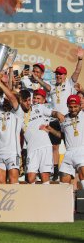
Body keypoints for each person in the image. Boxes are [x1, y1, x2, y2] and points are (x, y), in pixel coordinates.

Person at [47, 47, 83, 180]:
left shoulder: (69, 83)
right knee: (55, 146)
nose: (58, 76)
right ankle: (55, 171)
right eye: (57, 73)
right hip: (58, 119)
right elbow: (44, 87)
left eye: (61, 74)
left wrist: (80, 59)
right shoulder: (52, 86)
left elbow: (77, 71)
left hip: (70, 121)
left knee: (71, 146)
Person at [19, 89, 64, 184]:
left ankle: (46, 198)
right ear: (20, 102)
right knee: (30, 178)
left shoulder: (39, 107)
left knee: (45, 177)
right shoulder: (19, 114)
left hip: (45, 146)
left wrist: (58, 114)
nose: (28, 102)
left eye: (28, 100)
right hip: (31, 149)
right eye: (25, 101)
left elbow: (53, 113)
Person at [42, 95, 84, 188]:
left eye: (75, 106)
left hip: (81, 150)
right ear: (67, 106)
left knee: (82, 173)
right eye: (70, 107)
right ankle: (68, 201)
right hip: (68, 152)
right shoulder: (64, 119)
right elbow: (62, 136)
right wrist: (50, 130)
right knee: (63, 179)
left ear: (80, 106)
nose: (73, 109)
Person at [0, 73, 23, 184]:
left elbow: (12, 97)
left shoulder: (18, 112)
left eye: (7, 98)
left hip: (13, 152)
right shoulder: (0, 112)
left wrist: (0, 82)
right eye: (4, 99)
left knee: (13, 183)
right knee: (0, 184)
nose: (5, 100)